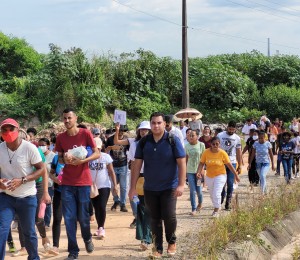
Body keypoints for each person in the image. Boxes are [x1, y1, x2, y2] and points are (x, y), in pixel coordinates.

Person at [129, 112, 186, 258]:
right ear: (150, 124)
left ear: (164, 124)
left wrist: (181, 184)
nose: (156, 125)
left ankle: (172, 241)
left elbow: (181, 162)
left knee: (169, 216)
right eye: (153, 123)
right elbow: (136, 165)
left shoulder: (173, 140)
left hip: (169, 187)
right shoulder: (144, 142)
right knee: (154, 219)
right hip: (150, 188)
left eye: (159, 123)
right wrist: (132, 188)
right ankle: (158, 248)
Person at [55, 108, 100, 259]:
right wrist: (64, 160)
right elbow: (59, 158)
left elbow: (97, 153)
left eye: (69, 118)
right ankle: (73, 251)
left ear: (75, 118)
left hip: (83, 182)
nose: (67, 121)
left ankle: (87, 238)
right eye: (65, 118)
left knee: (83, 217)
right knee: (69, 218)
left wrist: (83, 161)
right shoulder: (60, 137)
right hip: (67, 183)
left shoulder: (85, 133)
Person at [0, 118, 47, 260]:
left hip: (27, 197)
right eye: (4, 130)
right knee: (1, 230)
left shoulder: (29, 148)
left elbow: (41, 169)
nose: (8, 132)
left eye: (11, 129)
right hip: (6, 197)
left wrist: (22, 180)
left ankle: (34, 257)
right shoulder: (0, 148)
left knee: (29, 232)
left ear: (18, 129)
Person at [197, 137, 240, 217]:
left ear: (219, 144)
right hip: (209, 176)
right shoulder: (206, 152)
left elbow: (229, 165)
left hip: (221, 175)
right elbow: (201, 163)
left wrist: (236, 175)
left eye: (217, 144)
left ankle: (216, 210)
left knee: (217, 193)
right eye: (213, 144)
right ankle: (217, 206)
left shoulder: (223, 153)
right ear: (210, 144)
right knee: (212, 195)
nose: (215, 145)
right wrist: (199, 172)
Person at [127, 121, 152, 250]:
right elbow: (132, 166)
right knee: (142, 207)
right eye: (142, 130)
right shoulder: (134, 145)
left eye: (146, 130)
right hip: (140, 178)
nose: (143, 132)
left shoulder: (155, 144)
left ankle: (150, 236)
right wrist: (132, 185)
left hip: (154, 177)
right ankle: (145, 238)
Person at [90, 138, 117, 239]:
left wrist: (115, 185)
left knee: (101, 206)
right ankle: (99, 227)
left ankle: (102, 227)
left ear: (101, 147)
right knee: (96, 207)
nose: (96, 149)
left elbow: (111, 171)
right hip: (92, 187)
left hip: (104, 185)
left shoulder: (106, 157)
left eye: (98, 147)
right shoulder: (88, 158)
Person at [217, 121, 242, 211]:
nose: (231, 131)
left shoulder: (237, 138)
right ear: (227, 127)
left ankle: (228, 202)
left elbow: (239, 152)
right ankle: (221, 199)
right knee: (222, 183)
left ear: (235, 129)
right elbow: (216, 147)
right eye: (230, 129)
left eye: (233, 129)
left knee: (230, 183)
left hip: (232, 162)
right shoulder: (220, 135)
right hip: (221, 162)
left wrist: (240, 165)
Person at [106, 124, 130, 213]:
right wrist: (111, 147)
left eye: (122, 131)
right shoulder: (110, 139)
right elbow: (105, 151)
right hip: (112, 165)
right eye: (119, 131)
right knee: (113, 186)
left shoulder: (126, 140)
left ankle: (123, 203)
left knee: (123, 186)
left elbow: (130, 151)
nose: (120, 133)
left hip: (123, 165)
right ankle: (116, 200)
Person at [185, 129, 205, 215]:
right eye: (189, 135)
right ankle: (193, 208)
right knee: (192, 190)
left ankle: (200, 203)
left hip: (199, 172)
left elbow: (204, 159)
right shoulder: (186, 146)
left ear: (197, 136)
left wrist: (202, 170)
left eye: (193, 135)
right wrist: (184, 171)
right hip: (190, 171)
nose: (191, 137)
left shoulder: (201, 145)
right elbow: (185, 159)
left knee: (199, 190)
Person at [47, 153, 64, 256]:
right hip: (58, 191)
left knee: (72, 218)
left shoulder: (76, 155)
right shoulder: (56, 158)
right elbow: (51, 173)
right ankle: (55, 246)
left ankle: (73, 245)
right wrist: (54, 179)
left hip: (72, 192)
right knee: (57, 218)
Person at [38, 138, 56, 229]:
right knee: (39, 204)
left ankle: (46, 223)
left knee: (47, 204)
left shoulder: (53, 156)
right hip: (39, 184)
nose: (41, 147)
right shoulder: (37, 155)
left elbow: (56, 171)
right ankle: (39, 222)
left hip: (50, 184)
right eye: (39, 145)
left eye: (43, 145)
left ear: (48, 145)